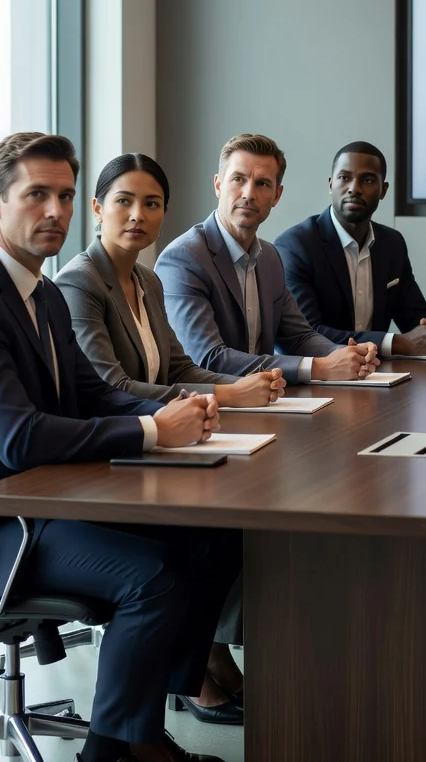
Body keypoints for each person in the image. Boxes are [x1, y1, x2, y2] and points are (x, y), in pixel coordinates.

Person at [0, 132, 237, 762]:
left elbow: (94, 395)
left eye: (64, 194)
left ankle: (144, 729)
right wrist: (152, 432)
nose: (56, 211)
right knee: (153, 576)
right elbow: (19, 436)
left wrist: (180, 414)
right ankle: (114, 753)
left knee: (212, 535)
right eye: (36, 194)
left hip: (37, 502)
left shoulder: (40, 295)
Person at [56, 152, 288, 726]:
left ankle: (190, 674)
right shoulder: (77, 283)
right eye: (124, 201)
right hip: (107, 460)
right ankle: (190, 681)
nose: (138, 214)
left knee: (229, 533)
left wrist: (244, 384)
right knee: (200, 540)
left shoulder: (146, 280)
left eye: (152, 204)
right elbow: (109, 386)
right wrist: (224, 399)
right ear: (96, 209)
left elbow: (179, 366)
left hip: (157, 452)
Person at [155, 134, 380, 383]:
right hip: (206, 410)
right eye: (238, 179)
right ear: (218, 185)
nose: (249, 193)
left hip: (265, 403)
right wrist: (319, 367)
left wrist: (345, 354)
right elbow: (209, 359)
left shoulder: (270, 257)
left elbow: (299, 337)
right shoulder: (183, 258)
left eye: (262, 183)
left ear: (276, 195)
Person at [274, 141, 426, 356]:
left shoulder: (392, 243)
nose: (354, 188)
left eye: (368, 180)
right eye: (344, 178)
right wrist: (396, 343)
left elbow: (413, 313)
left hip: (378, 375)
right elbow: (307, 333)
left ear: (383, 190)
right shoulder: (296, 245)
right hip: (317, 378)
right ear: (331, 185)